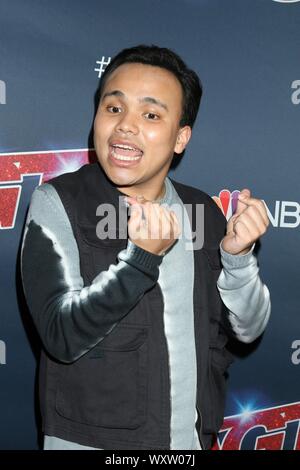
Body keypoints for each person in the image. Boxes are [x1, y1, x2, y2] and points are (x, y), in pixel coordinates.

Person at [21, 44, 271, 450]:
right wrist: (141, 259)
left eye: (151, 114)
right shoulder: (58, 202)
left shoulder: (202, 211)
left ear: (180, 138)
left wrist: (238, 258)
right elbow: (61, 335)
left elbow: (247, 330)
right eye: (114, 108)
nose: (125, 126)